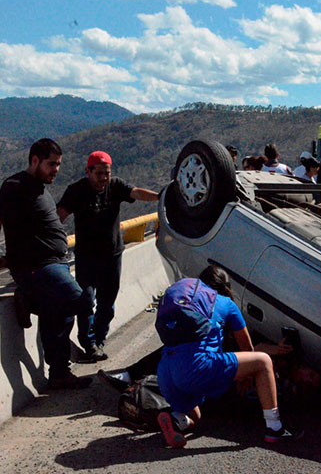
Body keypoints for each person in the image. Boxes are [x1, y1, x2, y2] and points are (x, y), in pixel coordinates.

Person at [156, 265, 303, 447]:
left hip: (166, 373)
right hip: (195, 368)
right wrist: (246, 375)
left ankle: (174, 420)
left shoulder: (187, 303)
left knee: (195, 417)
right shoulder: (227, 304)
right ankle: (275, 428)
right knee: (263, 361)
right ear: (226, 287)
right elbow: (247, 348)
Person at [0, 139, 93, 389]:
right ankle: (29, 298)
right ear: (35, 161)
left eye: (58, 164)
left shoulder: (40, 188)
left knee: (60, 312)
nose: (56, 170)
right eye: (51, 164)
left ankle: (59, 373)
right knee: (81, 301)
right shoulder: (15, 186)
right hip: (36, 266)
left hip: (55, 264)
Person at [57, 151, 159, 362]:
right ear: (88, 171)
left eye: (107, 173)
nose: (104, 178)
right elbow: (59, 216)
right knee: (85, 300)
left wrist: (160, 197)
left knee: (107, 303)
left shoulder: (115, 186)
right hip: (86, 257)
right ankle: (89, 343)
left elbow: (136, 193)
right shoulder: (76, 190)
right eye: (99, 173)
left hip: (112, 256)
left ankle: (99, 341)